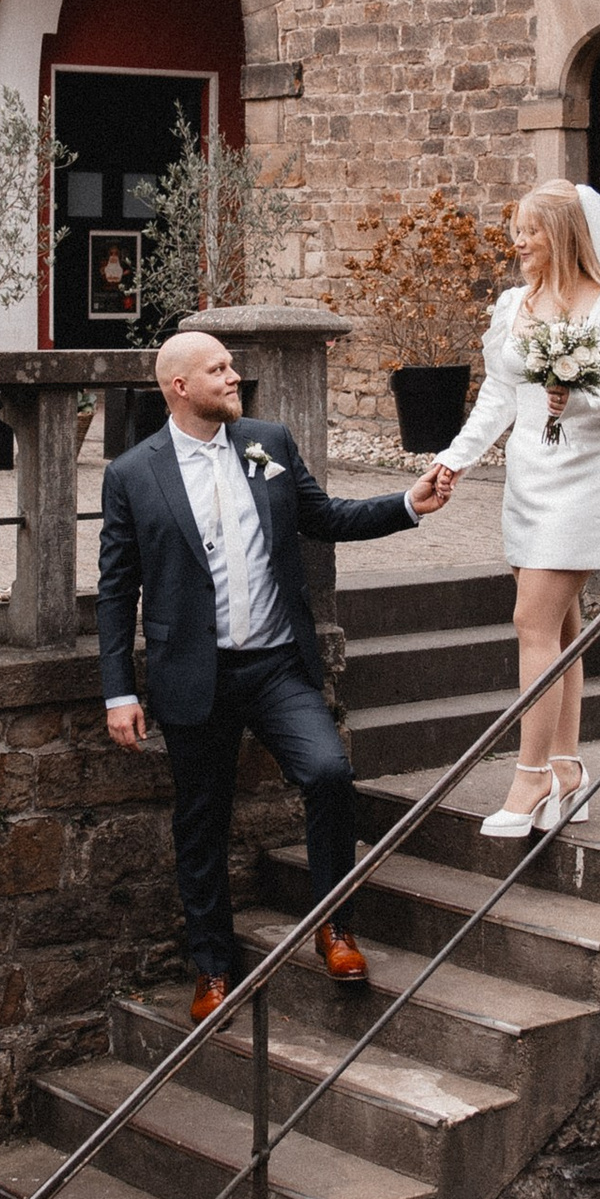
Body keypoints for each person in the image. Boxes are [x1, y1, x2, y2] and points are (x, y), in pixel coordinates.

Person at [102, 326, 451, 1024]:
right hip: (193, 674)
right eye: (218, 369)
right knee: (201, 823)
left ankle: (333, 926)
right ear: (180, 387)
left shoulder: (268, 442)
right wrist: (118, 690)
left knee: (328, 773)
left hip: (275, 666)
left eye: (231, 366)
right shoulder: (133, 474)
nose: (234, 377)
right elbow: (117, 589)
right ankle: (212, 968)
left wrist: (408, 504)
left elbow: (323, 517)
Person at [423, 180, 600, 838]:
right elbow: (499, 397)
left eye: (531, 231)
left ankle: (530, 776)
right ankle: (567, 769)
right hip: (528, 480)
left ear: (561, 235)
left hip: (584, 481)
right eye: (517, 230)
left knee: (530, 621)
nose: (519, 242)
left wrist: (580, 398)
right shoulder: (515, 304)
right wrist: (455, 459)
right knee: (559, 630)